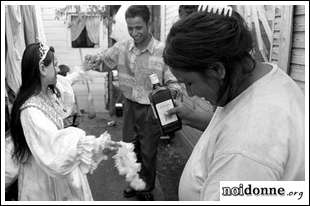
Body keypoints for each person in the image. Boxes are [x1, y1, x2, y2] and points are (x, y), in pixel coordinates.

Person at [163, 6, 305, 200]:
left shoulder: (245, 148)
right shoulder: (264, 78)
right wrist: (193, 118)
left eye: (189, 82)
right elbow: (231, 124)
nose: (190, 92)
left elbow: (241, 142)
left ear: (217, 70)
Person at [84, 5, 181, 201]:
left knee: (148, 151)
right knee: (129, 148)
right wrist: (94, 60)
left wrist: (169, 93)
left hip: (150, 110)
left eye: (139, 27)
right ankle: (135, 184)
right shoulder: (122, 47)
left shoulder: (162, 51)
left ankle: (146, 187)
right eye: (130, 28)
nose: (134, 33)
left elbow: (173, 82)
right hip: (129, 105)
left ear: (149, 24)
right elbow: (104, 62)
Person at [9, 42, 119, 201]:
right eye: (55, 65)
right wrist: (94, 145)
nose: (58, 69)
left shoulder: (46, 92)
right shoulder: (31, 111)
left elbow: (65, 82)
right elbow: (54, 146)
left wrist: (82, 69)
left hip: (54, 170)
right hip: (43, 176)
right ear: (42, 68)